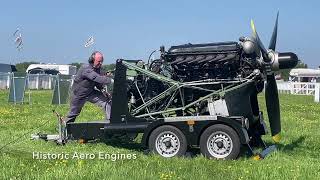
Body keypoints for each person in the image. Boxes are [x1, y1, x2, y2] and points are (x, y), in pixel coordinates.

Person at [65, 51, 113, 124]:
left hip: (90, 92)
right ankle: (65, 130)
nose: (101, 63)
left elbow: (98, 83)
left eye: (101, 61)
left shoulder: (97, 69)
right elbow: (97, 78)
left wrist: (103, 91)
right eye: (99, 61)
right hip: (79, 95)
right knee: (73, 114)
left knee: (106, 101)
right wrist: (112, 80)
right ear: (92, 60)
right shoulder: (86, 68)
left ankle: (110, 123)